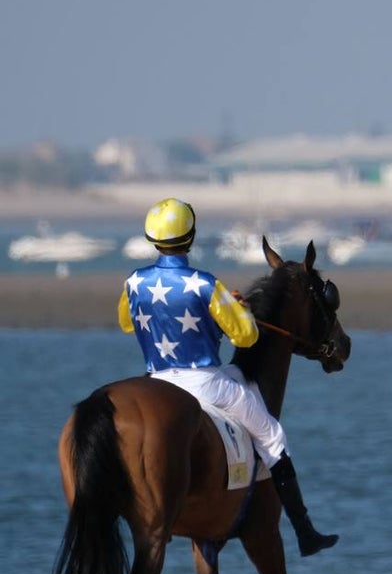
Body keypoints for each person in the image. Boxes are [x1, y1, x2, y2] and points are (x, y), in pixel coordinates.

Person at [118, 197, 339, 555]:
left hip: (155, 381)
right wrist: (232, 309)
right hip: (206, 383)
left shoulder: (134, 281)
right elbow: (246, 337)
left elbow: (127, 323)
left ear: (152, 239)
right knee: (271, 435)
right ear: (190, 237)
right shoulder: (205, 284)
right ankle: (305, 531)